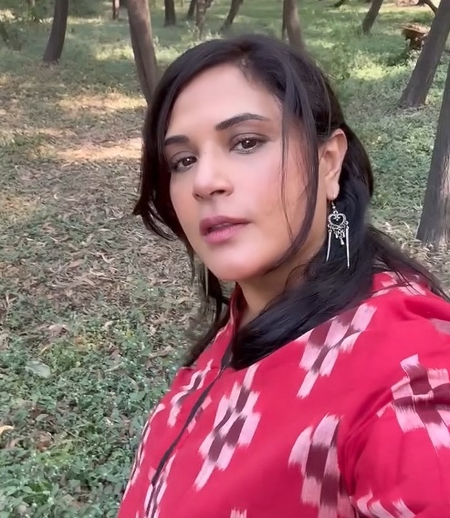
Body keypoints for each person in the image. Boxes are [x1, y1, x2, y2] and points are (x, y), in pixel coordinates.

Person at [118, 34, 450, 518]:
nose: (204, 182)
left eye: (246, 142)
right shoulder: (249, 312)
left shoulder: (407, 378)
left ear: (328, 161)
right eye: (183, 161)